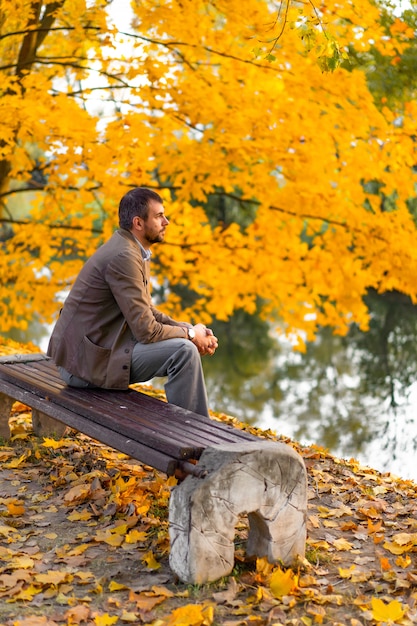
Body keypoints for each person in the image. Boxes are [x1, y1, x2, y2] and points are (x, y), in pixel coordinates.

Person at [47, 187, 218, 417]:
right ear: (138, 223)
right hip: (83, 366)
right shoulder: (124, 256)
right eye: (159, 216)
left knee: (184, 345)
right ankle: (195, 436)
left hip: (91, 355)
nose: (166, 222)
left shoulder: (132, 249)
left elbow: (146, 311)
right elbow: (147, 331)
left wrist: (189, 328)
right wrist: (189, 336)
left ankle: (194, 432)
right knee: (183, 351)